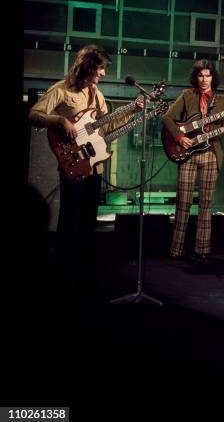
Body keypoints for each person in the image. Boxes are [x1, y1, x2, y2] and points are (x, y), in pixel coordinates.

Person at [28, 44, 142, 287]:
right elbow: (34, 114)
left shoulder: (97, 95)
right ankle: (62, 271)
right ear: (89, 66)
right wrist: (59, 120)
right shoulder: (61, 90)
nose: (103, 74)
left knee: (89, 221)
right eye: (100, 68)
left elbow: (105, 128)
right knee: (70, 219)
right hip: (71, 161)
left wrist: (132, 110)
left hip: (94, 165)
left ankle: (83, 272)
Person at [162, 60, 224, 267]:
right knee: (183, 203)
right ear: (196, 77)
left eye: (207, 75)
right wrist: (179, 138)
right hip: (188, 154)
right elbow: (167, 118)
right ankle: (176, 249)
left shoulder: (222, 100)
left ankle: (202, 250)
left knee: (205, 205)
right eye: (200, 75)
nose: (204, 79)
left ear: (213, 77)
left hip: (210, 154)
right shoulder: (187, 95)